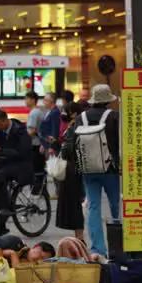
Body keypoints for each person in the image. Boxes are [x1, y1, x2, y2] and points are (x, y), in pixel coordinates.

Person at [65, 84, 121, 258]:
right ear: (108, 101)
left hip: (89, 168)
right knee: (114, 206)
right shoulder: (114, 117)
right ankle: (117, 244)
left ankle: (98, 248)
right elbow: (119, 142)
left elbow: (73, 141)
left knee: (93, 206)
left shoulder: (81, 117)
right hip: (110, 168)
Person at [0, 109, 33, 236]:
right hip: (5, 163)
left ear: (5, 120)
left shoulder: (20, 130)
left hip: (21, 164)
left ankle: (6, 207)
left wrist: (0, 150)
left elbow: (21, 153)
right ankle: (0, 229)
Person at [55, 99, 86, 241]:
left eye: (65, 112)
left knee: (74, 205)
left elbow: (69, 149)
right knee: (76, 204)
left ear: (73, 113)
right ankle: (79, 236)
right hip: (78, 167)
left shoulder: (74, 127)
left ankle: (80, 238)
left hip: (73, 169)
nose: (63, 115)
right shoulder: (79, 125)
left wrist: (61, 146)